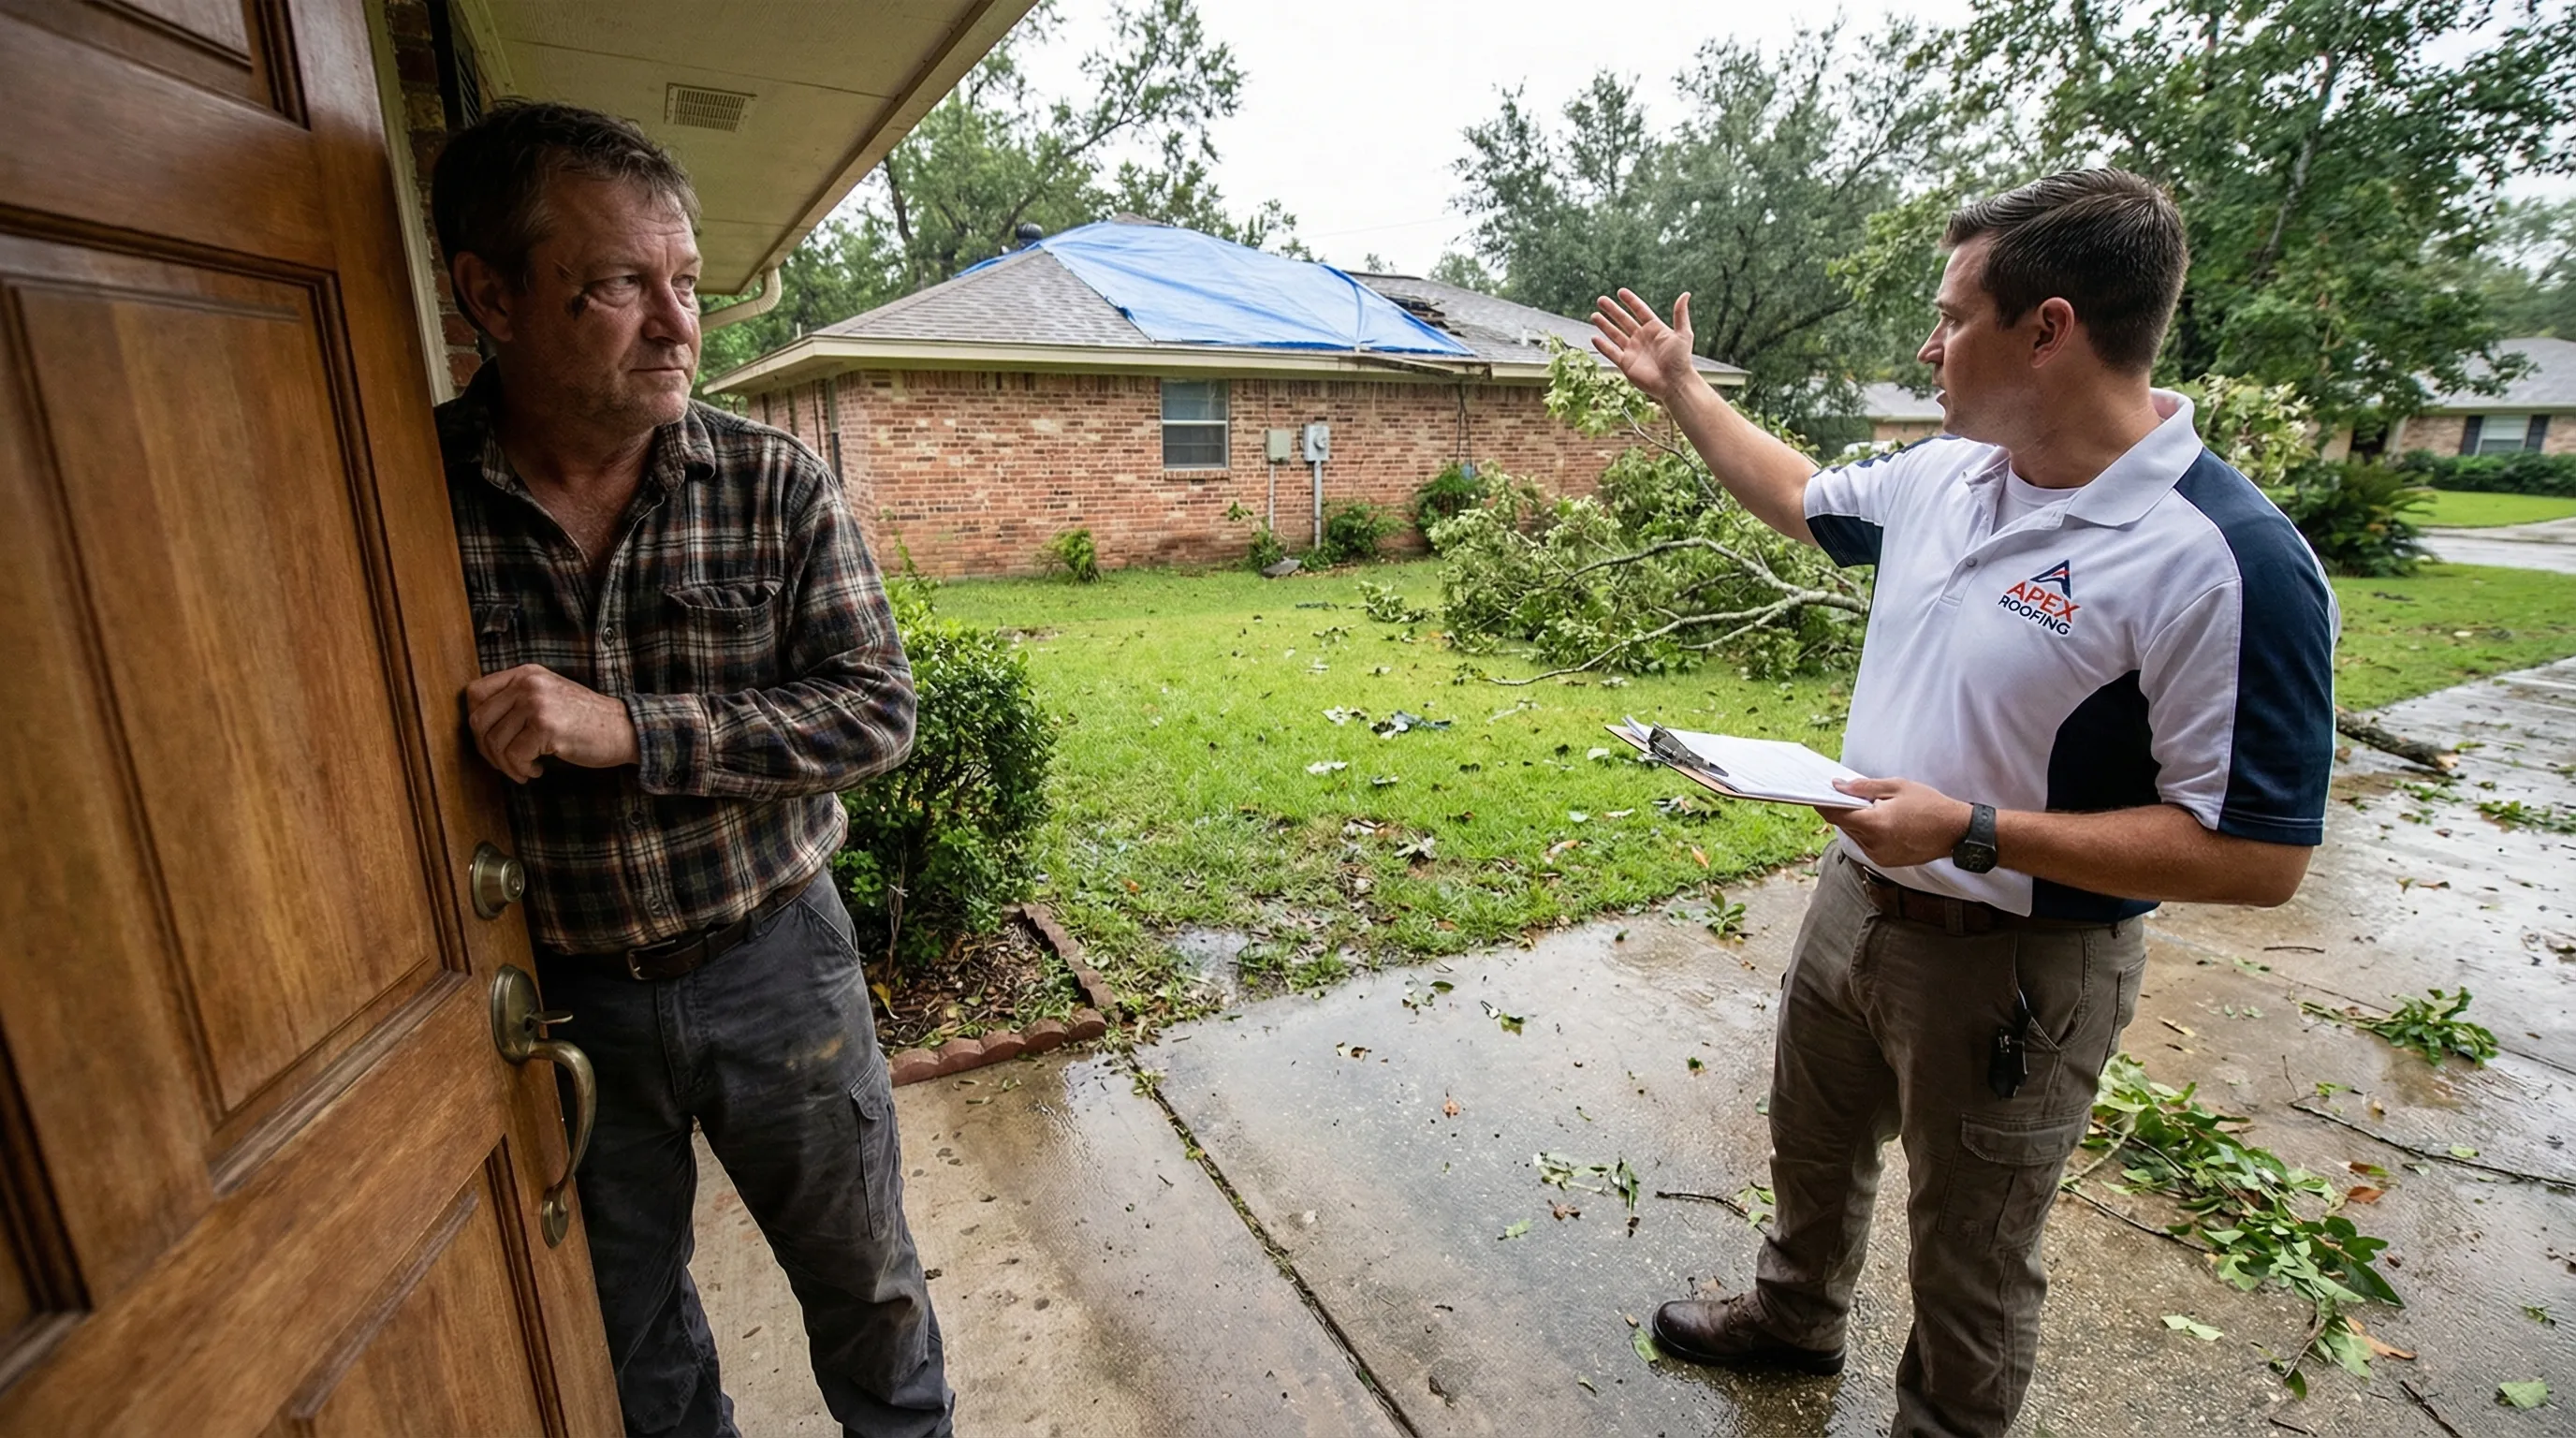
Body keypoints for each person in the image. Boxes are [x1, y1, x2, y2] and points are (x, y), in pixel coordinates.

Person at [1590, 169, 2335, 1437]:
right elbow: (1797, 496)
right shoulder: (1950, 473)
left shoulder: (2224, 557)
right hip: (1855, 910)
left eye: (1951, 318)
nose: (1929, 348)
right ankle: (1792, 1320)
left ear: (2047, 329)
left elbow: (2260, 854)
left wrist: (1977, 830)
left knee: (1973, 1255)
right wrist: (1680, 391)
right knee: (1811, 1152)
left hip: (2022, 968)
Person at [431, 101, 951, 1438]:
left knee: (868, 1288)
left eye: (684, 282)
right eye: (617, 286)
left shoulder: (772, 483)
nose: (677, 326)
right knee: (631, 1330)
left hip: (777, 967)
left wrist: (634, 729)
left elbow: (876, 714)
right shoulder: (405, 506)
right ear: (486, 294)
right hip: (562, 1002)